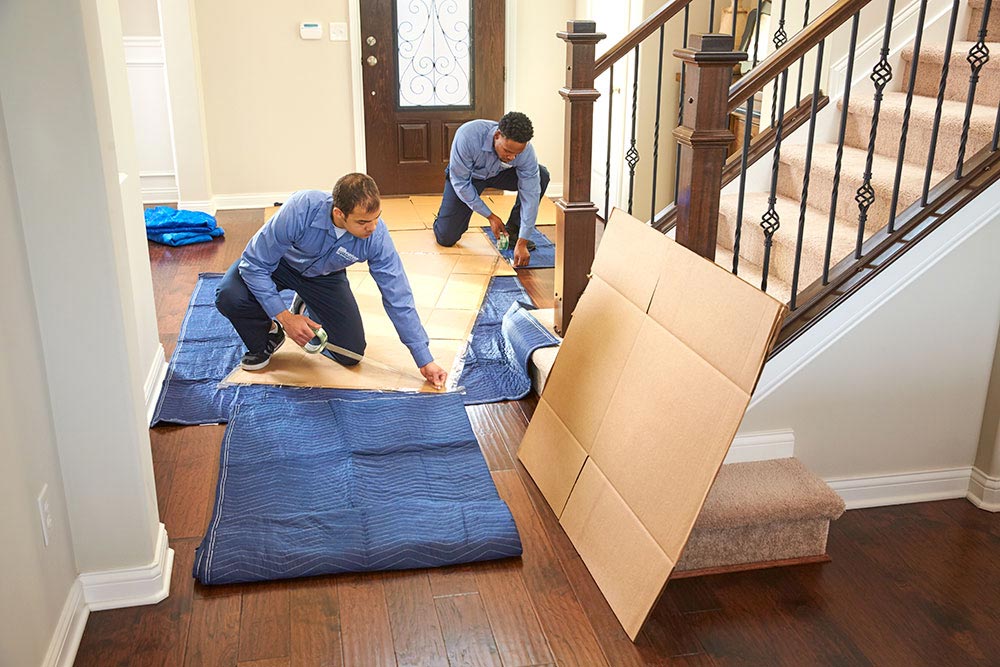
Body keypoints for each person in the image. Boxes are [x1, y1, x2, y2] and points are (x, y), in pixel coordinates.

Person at [215, 173, 448, 388]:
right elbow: (254, 264)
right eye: (363, 222)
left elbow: (397, 295)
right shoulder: (302, 208)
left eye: (376, 218)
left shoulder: (377, 236)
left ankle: (305, 306)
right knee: (229, 296)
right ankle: (268, 334)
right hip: (279, 265)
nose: (372, 227)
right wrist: (284, 319)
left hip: (325, 277)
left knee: (350, 354)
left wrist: (424, 359)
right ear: (339, 213)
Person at [433, 111, 550, 268]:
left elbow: (531, 194)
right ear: (497, 136)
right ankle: (443, 218)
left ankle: (513, 231)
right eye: (508, 151)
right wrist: (490, 216)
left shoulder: (526, 152)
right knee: (446, 237)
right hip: (468, 178)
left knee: (541, 176)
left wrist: (523, 240)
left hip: (499, 174)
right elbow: (460, 182)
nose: (512, 158)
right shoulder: (468, 136)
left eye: (517, 153)